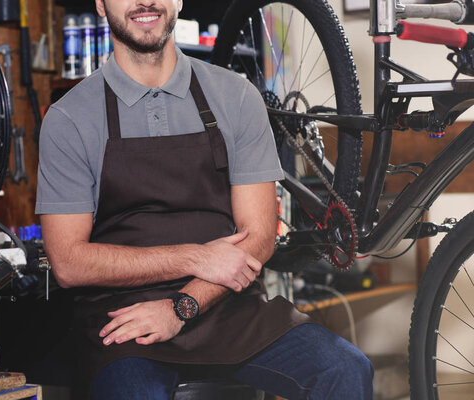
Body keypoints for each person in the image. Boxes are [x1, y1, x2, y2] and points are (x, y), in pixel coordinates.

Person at [36, 0, 374, 398]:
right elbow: (69, 263)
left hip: (227, 306)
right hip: (124, 319)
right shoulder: (70, 118)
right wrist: (196, 257)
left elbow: (259, 236)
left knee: (345, 368)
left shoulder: (236, 97)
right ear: (100, 3)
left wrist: (182, 307)